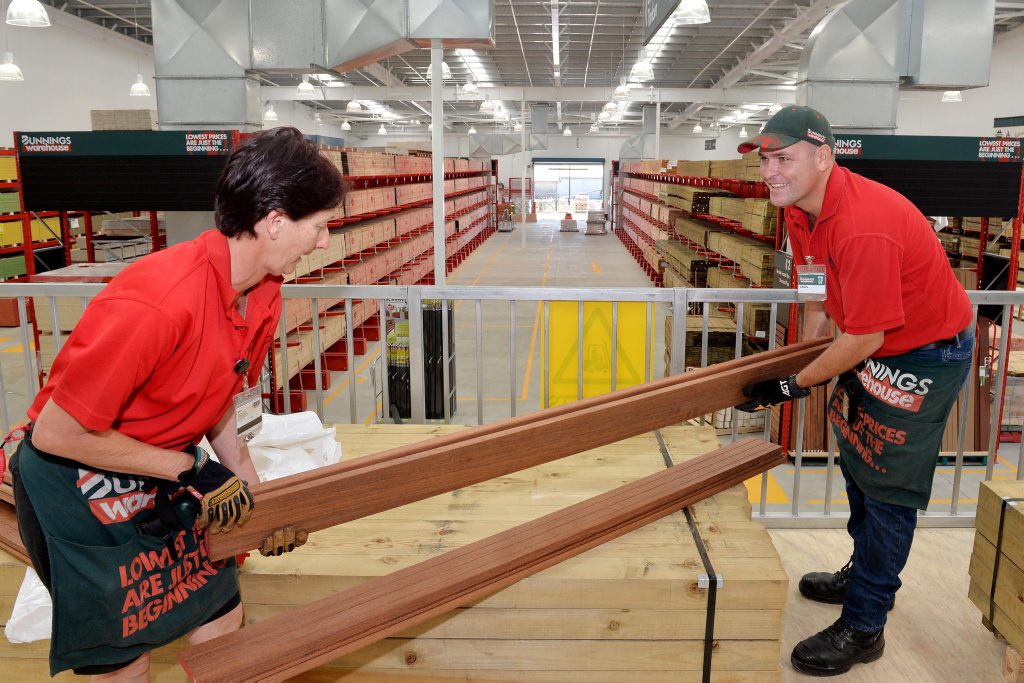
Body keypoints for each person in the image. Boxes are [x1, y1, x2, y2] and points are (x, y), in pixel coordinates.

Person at [8, 126, 344, 679]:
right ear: (276, 221)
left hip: (157, 463)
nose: (325, 241)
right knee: (127, 653)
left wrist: (263, 509)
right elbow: (56, 434)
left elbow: (219, 400)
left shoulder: (261, 291)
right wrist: (190, 469)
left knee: (219, 609)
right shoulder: (158, 301)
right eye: (320, 226)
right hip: (75, 478)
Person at [735, 106, 974, 676]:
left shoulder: (863, 223)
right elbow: (818, 290)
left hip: (924, 353)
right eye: (765, 159)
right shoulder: (798, 209)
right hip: (874, 346)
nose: (770, 171)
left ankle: (866, 624)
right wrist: (808, 350)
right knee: (860, 460)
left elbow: (867, 334)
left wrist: (793, 383)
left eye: (783, 157)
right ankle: (860, 569)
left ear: (823, 156)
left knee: (889, 486)